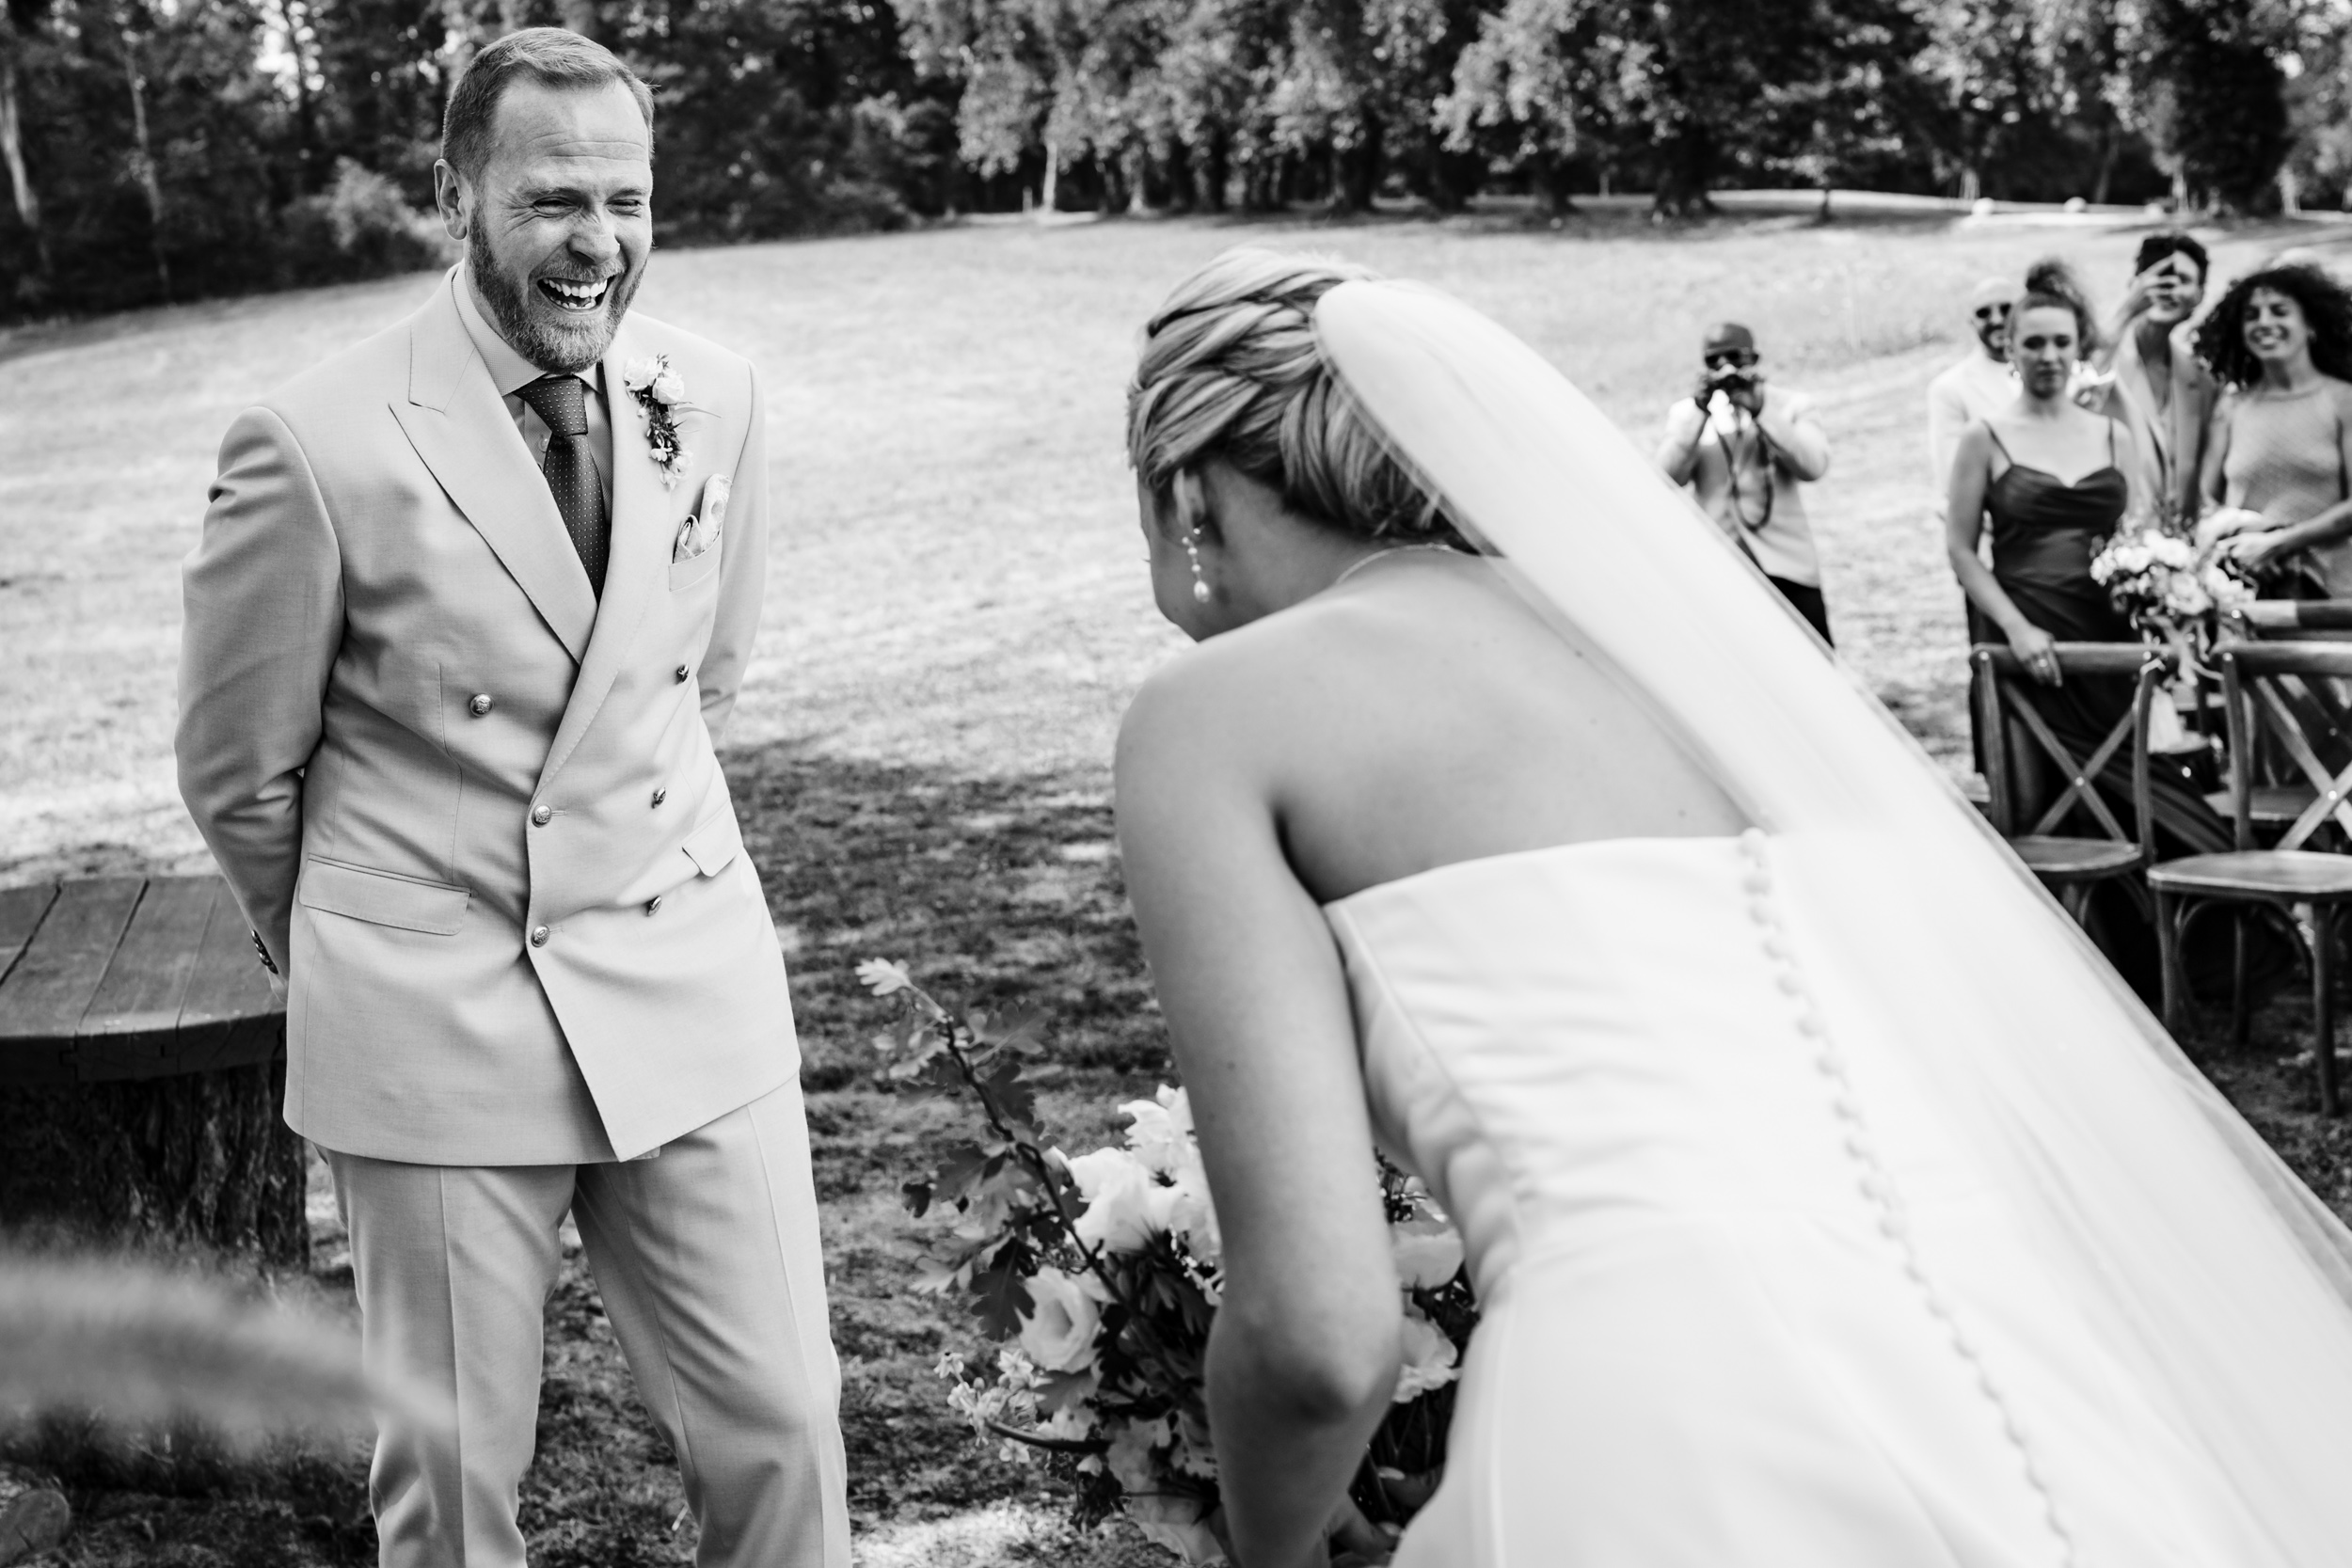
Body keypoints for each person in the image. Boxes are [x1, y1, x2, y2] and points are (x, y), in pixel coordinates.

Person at [1116, 247, 2352, 1567]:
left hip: (1660, 1415)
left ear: (1190, 490)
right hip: (2020, 1354)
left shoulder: (1214, 715)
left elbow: (1316, 1334)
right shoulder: (1688, 654)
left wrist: (1280, 1540)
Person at [174, 29, 848, 1568]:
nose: (597, 241)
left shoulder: (717, 398)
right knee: (459, 1482)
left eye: (627, 197)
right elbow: (235, 769)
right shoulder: (315, 441)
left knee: (787, 1425)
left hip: (684, 970)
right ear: (455, 195)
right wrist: (371, 940)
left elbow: (701, 677)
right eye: (552, 200)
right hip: (435, 1010)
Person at [1655, 322, 1836, 642]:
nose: (1726, 369)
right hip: (1722, 568)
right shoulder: (1688, 414)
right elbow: (1665, 479)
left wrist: (1763, 411)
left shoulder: (1792, 405)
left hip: (1789, 565)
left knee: (1814, 657)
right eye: (1714, 361)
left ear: (1754, 358)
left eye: (1735, 358)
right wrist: (1700, 412)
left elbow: (1813, 466)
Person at [2193, 262, 2352, 598]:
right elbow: (2206, 499)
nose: (2264, 323)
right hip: (2246, 590)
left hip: (2329, 594)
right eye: (2252, 315)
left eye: (2279, 311)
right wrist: (2239, 533)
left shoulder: (2342, 400)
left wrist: (2278, 543)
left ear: (2310, 325)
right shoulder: (2231, 407)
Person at [2094, 231, 2217, 519]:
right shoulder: (2100, 356)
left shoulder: (2201, 378)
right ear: (2133, 285)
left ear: (2199, 295)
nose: (2167, 286)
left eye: (2183, 280)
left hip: (2173, 550)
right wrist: (2126, 310)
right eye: (2157, 275)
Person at [1925, 277, 2018, 509]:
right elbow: (1953, 477)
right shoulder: (1950, 388)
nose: (1997, 319)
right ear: (1971, 321)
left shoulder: (2053, 373)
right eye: (1984, 313)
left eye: (2006, 309)